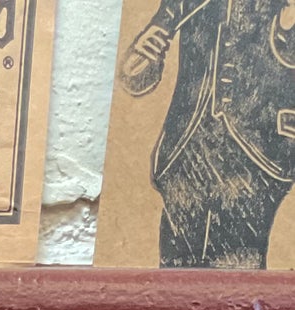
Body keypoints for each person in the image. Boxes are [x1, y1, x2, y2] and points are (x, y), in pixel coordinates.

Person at [119, 0, 295, 266]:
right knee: (175, 270)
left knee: (238, 273)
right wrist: (154, 41)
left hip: (258, 152)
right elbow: (135, 74)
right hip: (186, 148)